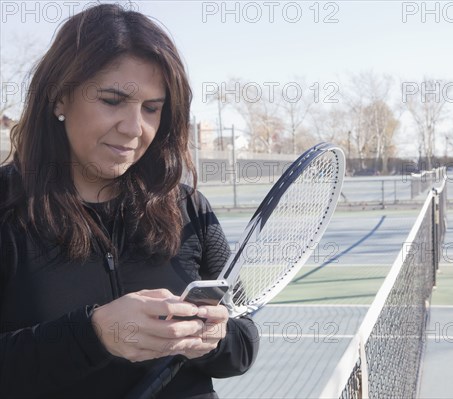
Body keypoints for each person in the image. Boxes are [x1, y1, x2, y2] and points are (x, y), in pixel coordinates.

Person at [0, 4, 259, 398]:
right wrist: (95, 335)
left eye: (152, 109)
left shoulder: (189, 208)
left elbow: (242, 345)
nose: (134, 128)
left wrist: (210, 339)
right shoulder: (8, 209)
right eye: (112, 100)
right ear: (59, 98)